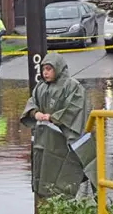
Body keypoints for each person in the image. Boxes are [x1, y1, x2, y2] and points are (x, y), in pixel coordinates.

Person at [20, 54, 96, 200]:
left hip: (65, 141)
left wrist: (54, 118)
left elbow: (76, 107)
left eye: (49, 69)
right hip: (45, 142)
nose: (45, 73)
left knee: (68, 172)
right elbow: (32, 102)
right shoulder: (40, 87)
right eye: (43, 69)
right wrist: (35, 113)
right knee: (46, 172)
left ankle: (66, 207)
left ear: (58, 68)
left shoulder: (72, 86)